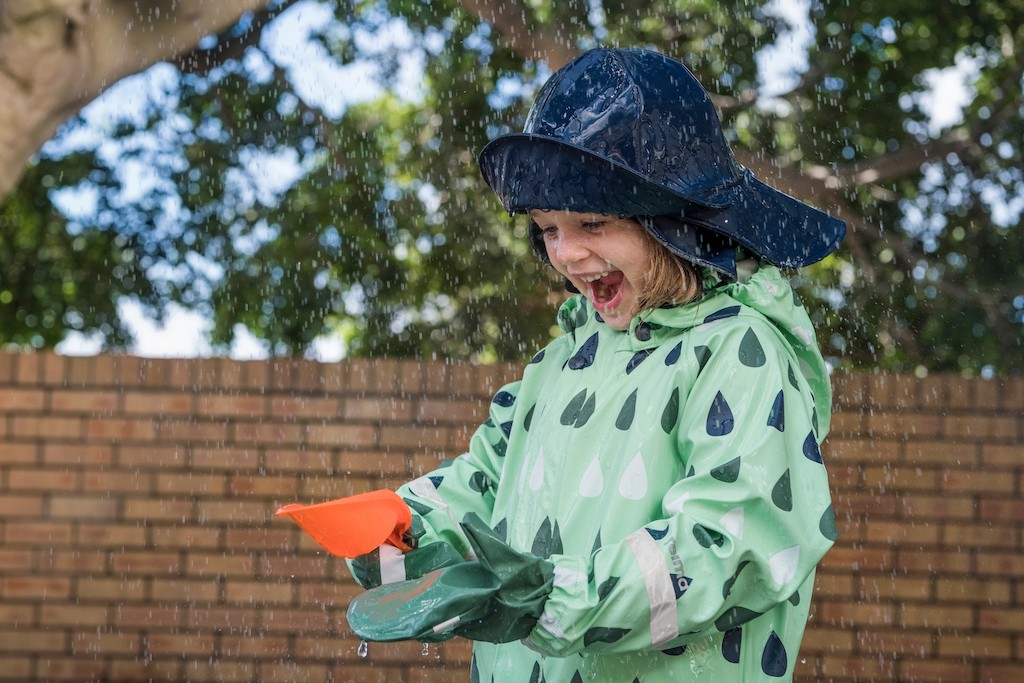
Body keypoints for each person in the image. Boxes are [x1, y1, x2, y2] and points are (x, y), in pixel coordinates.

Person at [342, 47, 845, 682]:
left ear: (674, 225)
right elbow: (488, 486)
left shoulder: (739, 352)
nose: (567, 253)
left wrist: (551, 598)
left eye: (593, 223)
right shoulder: (563, 362)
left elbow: (732, 544)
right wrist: (399, 530)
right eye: (548, 229)